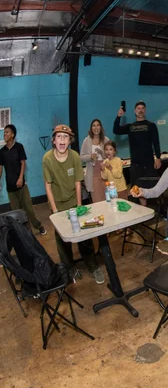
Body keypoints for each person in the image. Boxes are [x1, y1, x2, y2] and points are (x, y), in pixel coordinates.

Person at [43, 124, 104, 284]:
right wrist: (55, 210)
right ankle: (69, 268)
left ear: (69, 141)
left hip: (73, 201)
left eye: (66, 137)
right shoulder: (47, 158)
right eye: (59, 137)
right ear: (54, 140)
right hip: (58, 204)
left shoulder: (75, 156)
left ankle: (92, 265)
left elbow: (78, 183)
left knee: (84, 233)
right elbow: (48, 186)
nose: (62, 140)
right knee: (62, 239)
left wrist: (78, 206)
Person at [0, 124, 46, 235]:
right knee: (17, 213)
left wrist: (21, 178)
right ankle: (24, 233)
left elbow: (23, 163)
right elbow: (0, 167)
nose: (4, 134)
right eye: (4, 132)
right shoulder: (2, 151)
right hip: (10, 187)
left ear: (12, 135)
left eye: (7, 132)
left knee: (28, 209)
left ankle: (39, 226)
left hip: (21, 185)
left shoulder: (19, 147)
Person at [113, 100, 161, 205]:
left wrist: (158, 157)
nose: (140, 110)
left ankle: (154, 210)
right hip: (136, 164)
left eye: (142, 108)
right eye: (138, 109)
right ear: (135, 111)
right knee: (137, 189)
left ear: (145, 111)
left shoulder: (151, 125)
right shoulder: (131, 127)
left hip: (149, 163)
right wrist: (118, 117)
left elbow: (156, 142)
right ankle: (144, 210)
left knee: (151, 188)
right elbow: (116, 130)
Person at [80, 119, 110, 202]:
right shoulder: (86, 141)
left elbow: (111, 155)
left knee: (107, 198)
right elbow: (81, 157)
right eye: (94, 125)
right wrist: (90, 156)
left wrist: (103, 153)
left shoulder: (106, 140)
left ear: (101, 127)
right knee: (97, 200)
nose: (96, 127)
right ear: (91, 128)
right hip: (93, 173)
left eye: (98, 125)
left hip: (105, 172)